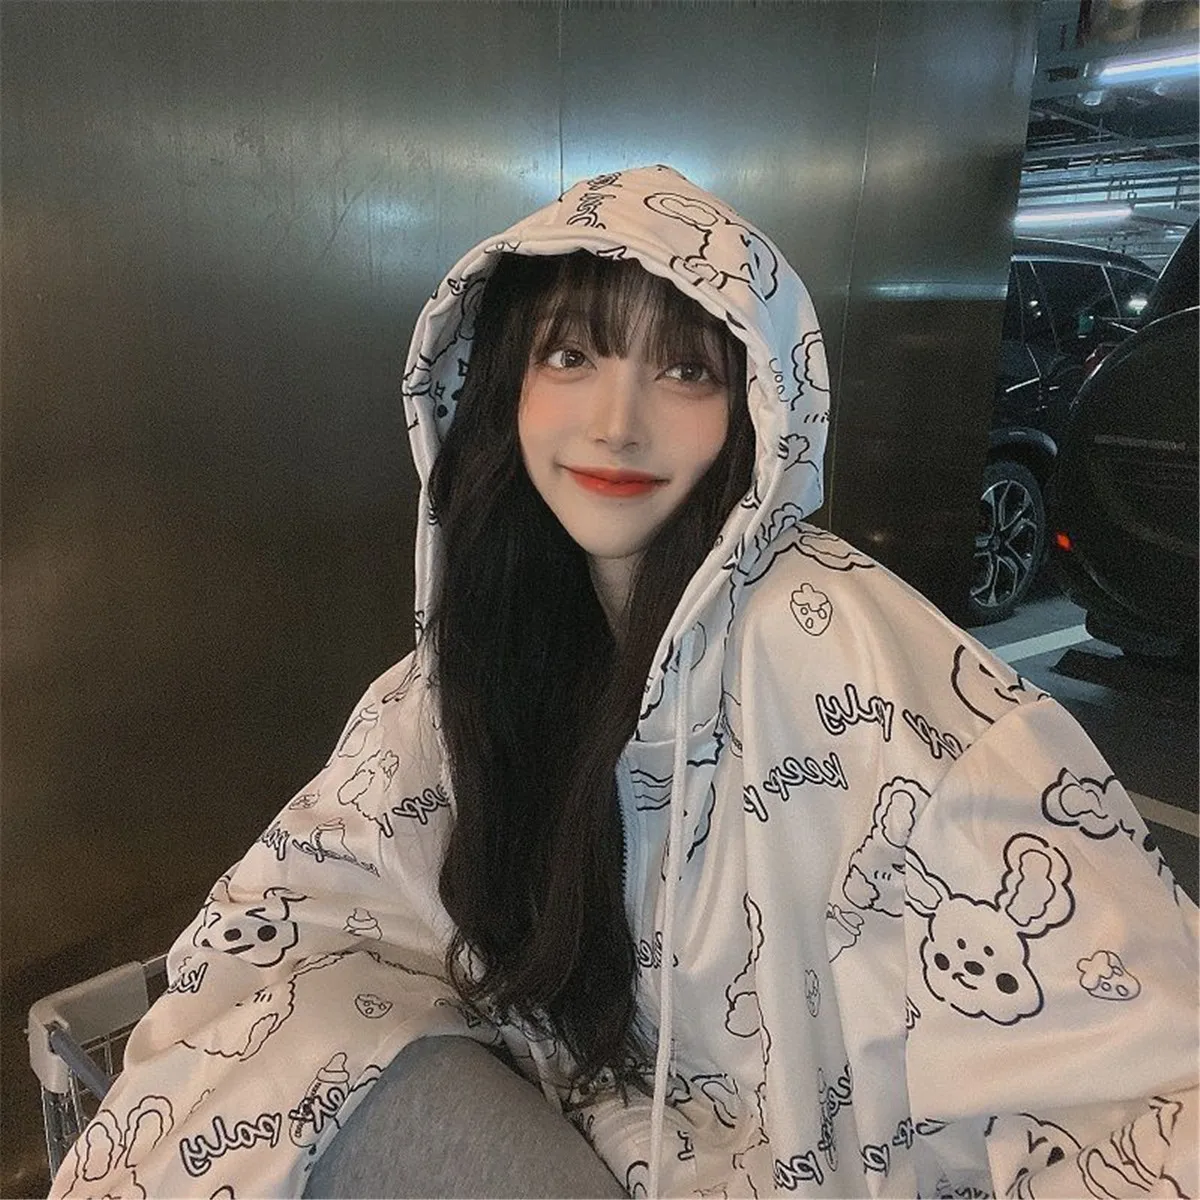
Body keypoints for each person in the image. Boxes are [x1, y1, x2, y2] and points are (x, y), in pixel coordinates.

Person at [49, 166, 1197, 1199]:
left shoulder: (847, 657)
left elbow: (1133, 1061)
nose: (615, 422)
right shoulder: (481, 653)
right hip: (580, 1123)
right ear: (503, 382)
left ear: (756, 410)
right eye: (571, 355)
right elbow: (306, 903)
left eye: (685, 370)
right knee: (298, 1034)